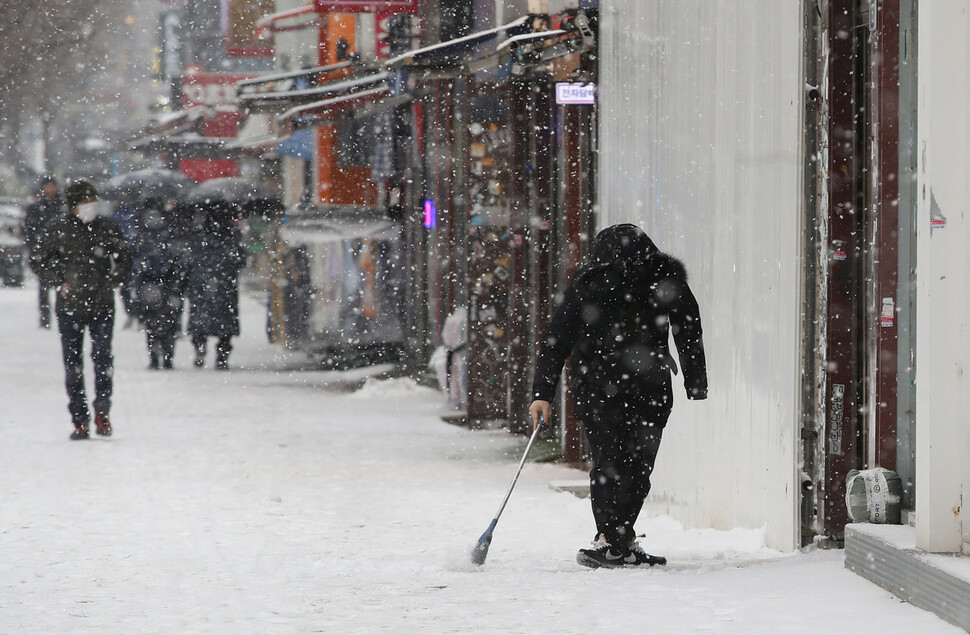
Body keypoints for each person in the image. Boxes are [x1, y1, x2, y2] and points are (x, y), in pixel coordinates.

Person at [529, 223, 708, 568]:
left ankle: (615, 539)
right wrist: (695, 381)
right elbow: (689, 326)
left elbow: (556, 339)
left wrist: (542, 393)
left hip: (600, 389)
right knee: (638, 467)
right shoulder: (662, 278)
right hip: (648, 389)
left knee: (610, 464)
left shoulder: (588, 283)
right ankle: (615, 538)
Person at [30, 180, 132, 440]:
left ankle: (102, 411)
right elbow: (38, 260)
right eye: (86, 202)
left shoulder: (106, 227)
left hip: (102, 305)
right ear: (73, 205)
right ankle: (79, 418)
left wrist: (113, 280)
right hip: (70, 307)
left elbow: (124, 257)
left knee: (102, 359)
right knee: (73, 365)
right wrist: (58, 281)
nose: (92, 206)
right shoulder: (58, 229)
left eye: (94, 201)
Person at [186, 202, 247, 370]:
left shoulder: (198, 234)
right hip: (225, 284)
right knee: (225, 323)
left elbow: (189, 258)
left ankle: (199, 347)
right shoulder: (232, 235)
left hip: (201, 284)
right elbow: (241, 260)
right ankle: (222, 354)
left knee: (200, 318)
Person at [130, 198, 188, 369]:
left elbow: (135, 256)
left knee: (152, 321)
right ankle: (168, 356)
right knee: (170, 320)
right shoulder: (170, 227)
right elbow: (179, 255)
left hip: (149, 280)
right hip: (169, 280)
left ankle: (154, 356)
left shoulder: (141, 229)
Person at [23, 175, 65, 328]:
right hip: (44, 254)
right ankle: (45, 317)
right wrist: (36, 251)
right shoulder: (35, 209)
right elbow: (29, 232)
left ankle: (64, 315)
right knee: (44, 287)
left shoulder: (63, 207)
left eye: (52, 186)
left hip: (61, 254)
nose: (50, 189)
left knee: (63, 286)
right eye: (48, 186)